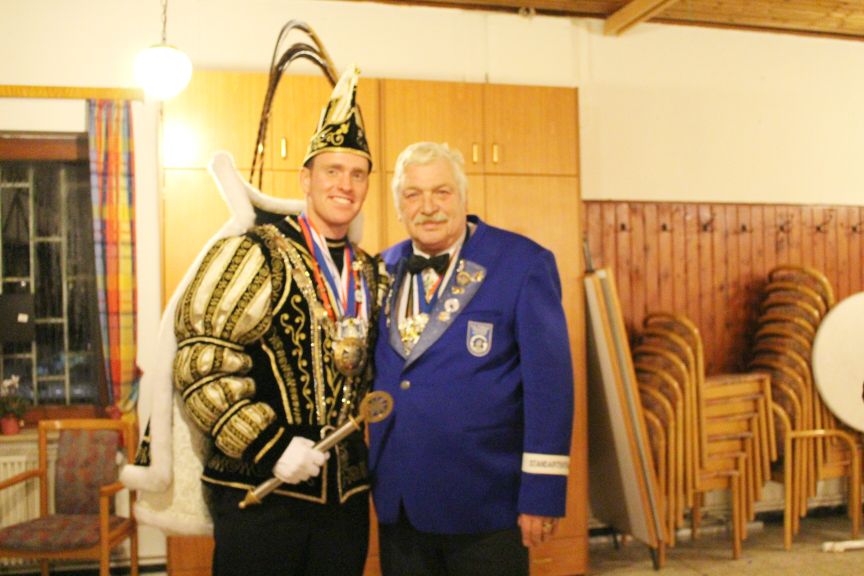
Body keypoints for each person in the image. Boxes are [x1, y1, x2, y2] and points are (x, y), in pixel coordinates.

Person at [172, 67, 381, 576]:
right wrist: (271, 447)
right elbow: (201, 362)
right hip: (262, 494)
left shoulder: (371, 271)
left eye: (357, 174)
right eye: (332, 170)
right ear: (305, 179)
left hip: (345, 500)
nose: (345, 184)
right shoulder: (254, 252)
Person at [369, 141, 575, 576]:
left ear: (463, 197)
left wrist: (542, 492)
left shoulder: (523, 264)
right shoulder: (381, 270)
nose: (428, 207)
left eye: (441, 192)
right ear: (399, 206)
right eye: (413, 194)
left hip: (486, 502)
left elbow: (550, 389)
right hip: (400, 503)